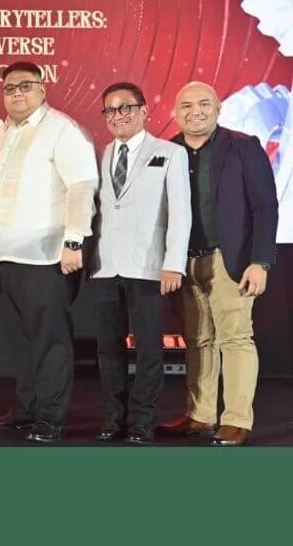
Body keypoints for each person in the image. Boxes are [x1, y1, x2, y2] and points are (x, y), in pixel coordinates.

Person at [0, 61, 97, 443]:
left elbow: (81, 187)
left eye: (25, 86)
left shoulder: (61, 130)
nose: (16, 93)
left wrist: (75, 241)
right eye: (9, 88)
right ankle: (27, 407)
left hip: (46, 257)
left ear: (42, 89)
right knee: (17, 341)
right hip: (1, 255)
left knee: (50, 342)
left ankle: (51, 417)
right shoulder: (2, 132)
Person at [159, 82, 278, 446]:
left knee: (236, 339)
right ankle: (200, 415)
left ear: (218, 108)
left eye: (204, 103)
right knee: (197, 342)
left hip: (231, 260)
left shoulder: (243, 146)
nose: (196, 111)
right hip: (183, 262)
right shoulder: (167, 152)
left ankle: (237, 421)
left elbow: (265, 207)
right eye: (187, 105)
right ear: (175, 112)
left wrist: (260, 261)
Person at [88, 82, 191, 444]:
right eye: (111, 111)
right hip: (105, 266)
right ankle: (114, 418)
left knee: (148, 347)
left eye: (126, 108)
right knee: (108, 348)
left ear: (144, 110)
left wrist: (174, 263)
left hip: (149, 266)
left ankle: (143, 420)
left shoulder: (170, 153)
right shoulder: (100, 155)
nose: (118, 116)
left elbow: (181, 213)